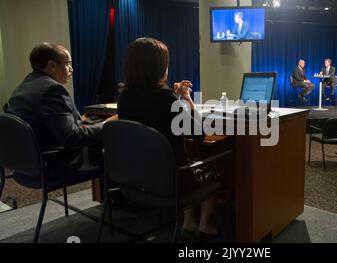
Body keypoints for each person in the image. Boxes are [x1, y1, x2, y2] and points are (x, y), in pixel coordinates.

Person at [117, 37, 220, 241]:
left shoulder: (124, 98)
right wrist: (187, 98)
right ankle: (203, 225)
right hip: (173, 179)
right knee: (214, 168)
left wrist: (176, 97)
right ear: (158, 67)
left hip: (139, 177)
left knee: (182, 158)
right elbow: (199, 133)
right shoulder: (165, 99)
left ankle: (188, 221)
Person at [6, 43, 116, 171]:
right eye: (68, 64)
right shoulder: (52, 90)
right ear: (52, 65)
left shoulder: (25, 85)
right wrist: (107, 124)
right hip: (52, 161)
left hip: (23, 160)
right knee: (111, 144)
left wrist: (86, 122)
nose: (71, 69)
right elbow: (72, 138)